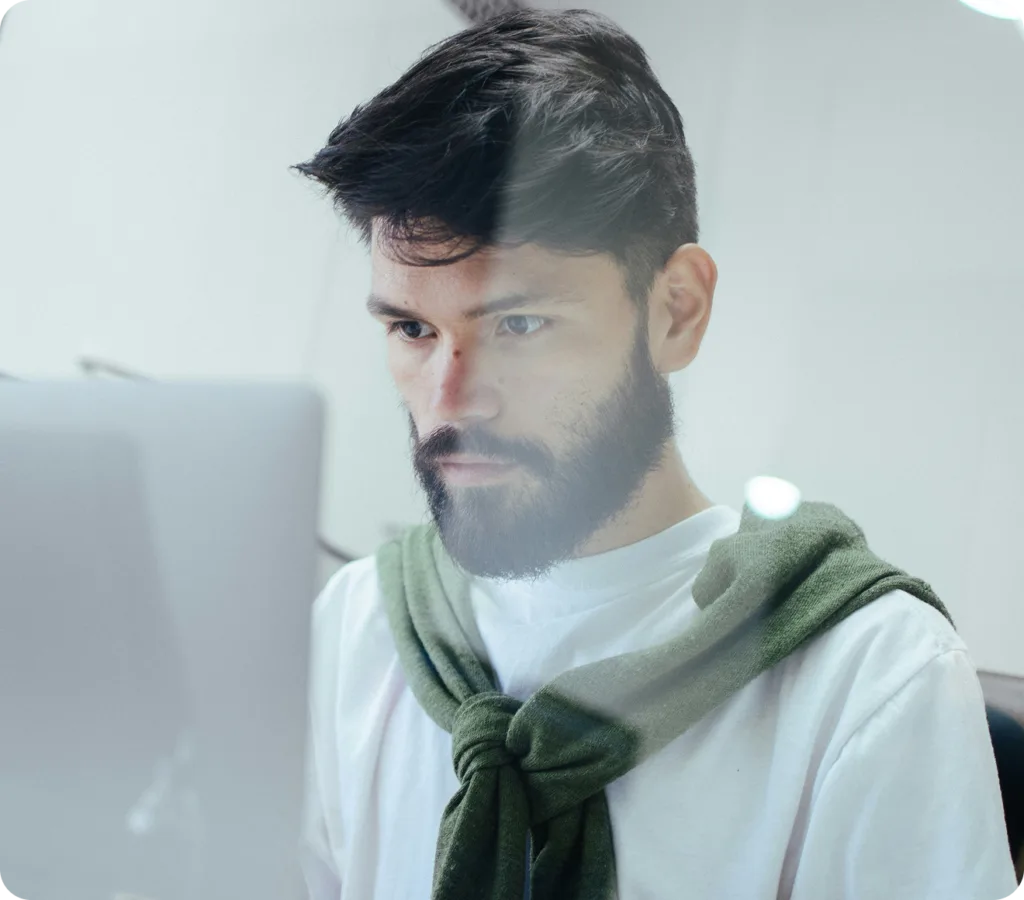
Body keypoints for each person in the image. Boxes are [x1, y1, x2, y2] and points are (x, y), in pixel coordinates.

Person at [293, 9, 1017, 899]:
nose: (449, 398)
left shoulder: (870, 681)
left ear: (676, 311)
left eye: (520, 324)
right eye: (411, 327)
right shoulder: (356, 630)